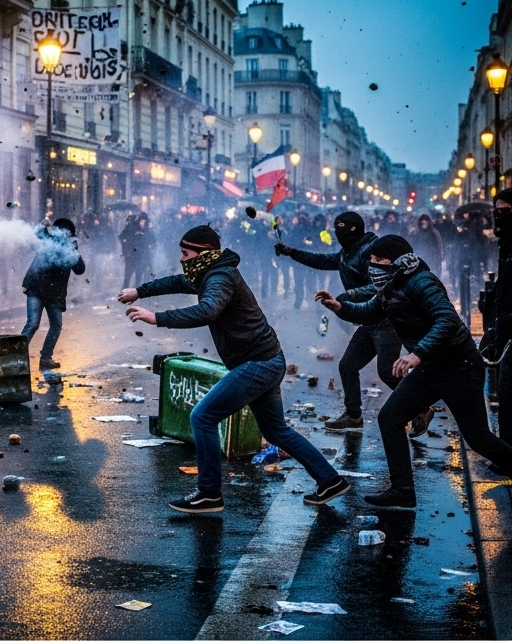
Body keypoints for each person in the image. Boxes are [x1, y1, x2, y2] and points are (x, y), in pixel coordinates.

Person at [120, 224, 349, 513]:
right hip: (267, 360)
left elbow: (207, 310)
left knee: (202, 417)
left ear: (201, 253)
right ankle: (330, 480)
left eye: (185, 252)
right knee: (276, 431)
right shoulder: (209, 272)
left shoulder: (220, 277)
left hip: (258, 364)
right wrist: (139, 291)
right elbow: (177, 282)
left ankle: (209, 494)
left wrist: (157, 317)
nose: (181, 258)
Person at [316, 234, 512, 508]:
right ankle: (403, 490)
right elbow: (370, 312)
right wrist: (340, 307)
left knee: (478, 438)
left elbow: (446, 320)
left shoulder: (421, 281)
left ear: (395, 261)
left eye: (378, 260)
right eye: (370, 260)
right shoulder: (389, 285)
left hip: (459, 366)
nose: (373, 266)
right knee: (390, 418)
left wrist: (416, 355)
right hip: (431, 367)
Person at [274, 211, 409, 433]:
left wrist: (352, 294)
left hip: (385, 320)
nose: (338, 235)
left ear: (354, 231)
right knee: (348, 366)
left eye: (342, 230)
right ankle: (354, 415)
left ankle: (420, 406)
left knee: (386, 371)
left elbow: (382, 285)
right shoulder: (347, 252)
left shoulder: (372, 252)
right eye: (336, 230)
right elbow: (322, 260)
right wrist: (291, 252)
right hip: (368, 320)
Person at [20, 217, 85, 370]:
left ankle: (45, 358)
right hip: (38, 288)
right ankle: (16, 356)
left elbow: (80, 269)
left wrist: (73, 250)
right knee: (33, 324)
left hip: (53, 293)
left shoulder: (68, 246)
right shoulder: (47, 240)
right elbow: (34, 236)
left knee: (54, 325)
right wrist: (43, 224)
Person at [486, 190, 512, 439]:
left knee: (507, 391)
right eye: (497, 211)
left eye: (506, 212)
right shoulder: (506, 242)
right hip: (506, 327)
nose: (499, 216)